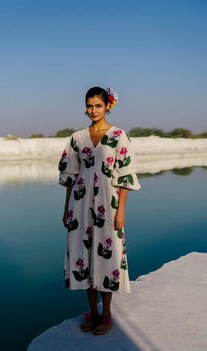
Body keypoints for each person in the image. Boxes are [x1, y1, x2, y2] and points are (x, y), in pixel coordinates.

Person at [58, 86, 141, 335]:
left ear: (107, 106)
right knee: (84, 258)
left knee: (107, 257)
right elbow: (69, 176)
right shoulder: (77, 138)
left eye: (98, 105)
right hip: (81, 206)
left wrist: (121, 211)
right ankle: (92, 312)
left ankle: (106, 314)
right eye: (89, 105)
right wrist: (66, 210)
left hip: (109, 205)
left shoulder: (118, 136)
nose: (93, 110)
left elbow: (126, 175)